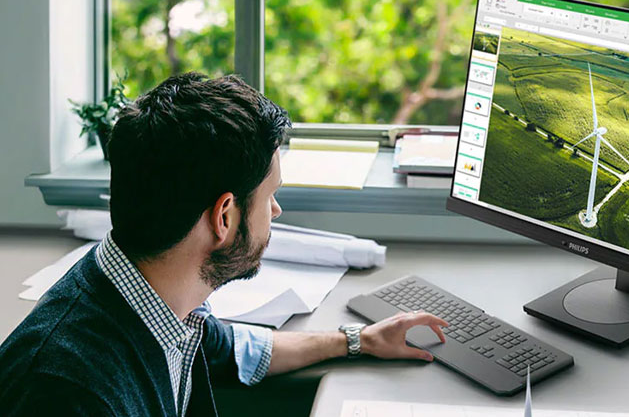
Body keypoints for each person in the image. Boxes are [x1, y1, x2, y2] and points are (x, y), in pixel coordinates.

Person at [0, 73, 448, 416]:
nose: (275, 212)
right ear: (224, 217)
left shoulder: (156, 302)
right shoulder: (67, 392)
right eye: (269, 196)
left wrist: (358, 341)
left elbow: (235, 347)